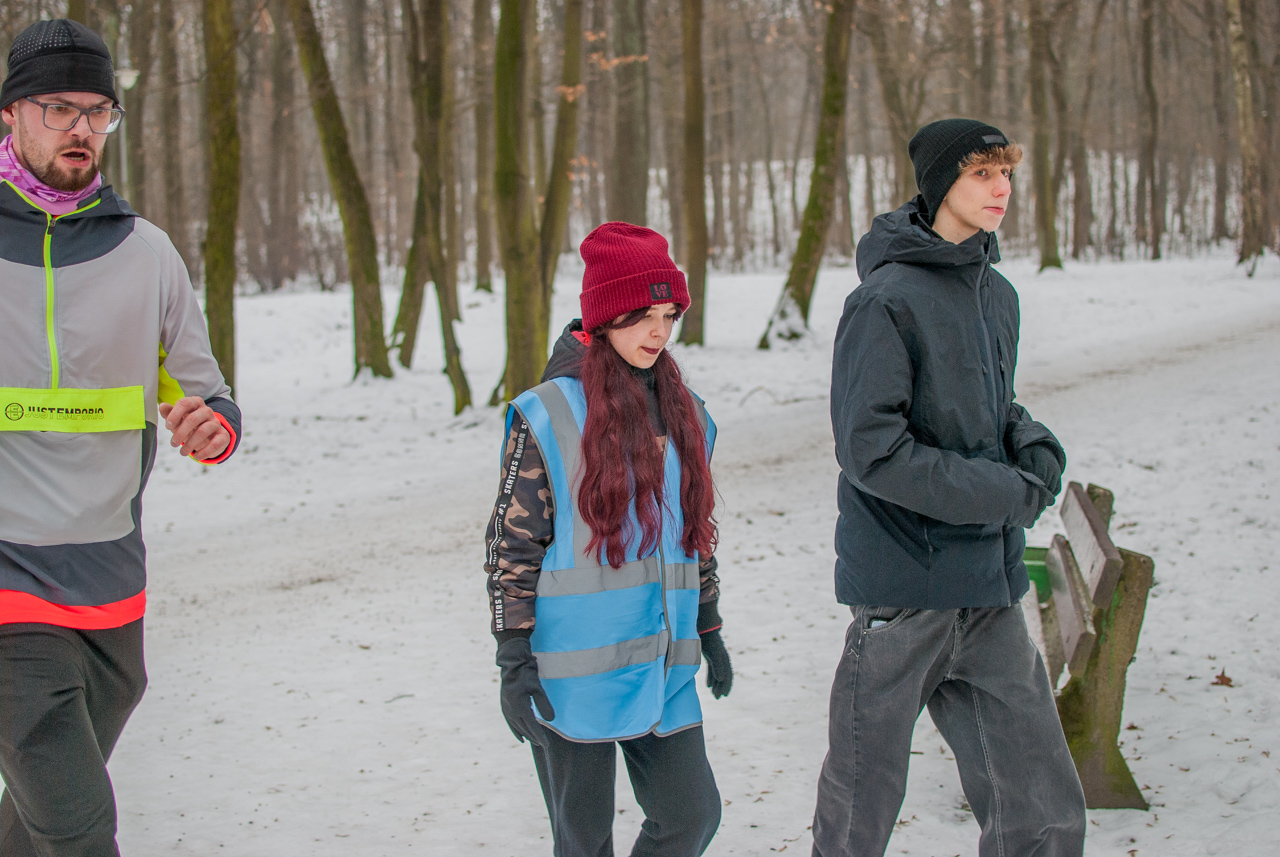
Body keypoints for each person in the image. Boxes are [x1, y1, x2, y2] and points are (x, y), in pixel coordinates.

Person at [810, 119, 1086, 857]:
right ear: (940, 186)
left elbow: (988, 410)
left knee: (1044, 808)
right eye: (981, 175)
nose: (1000, 189)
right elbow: (874, 450)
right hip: (904, 593)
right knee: (859, 809)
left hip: (987, 591)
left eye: (1005, 174)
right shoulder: (883, 302)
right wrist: (1003, 492)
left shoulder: (996, 295)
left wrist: (1033, 443)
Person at [0, 19, 240, 856]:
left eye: (98, 111)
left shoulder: (147, 253)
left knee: (43, 809)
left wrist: (212, 428)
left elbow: (203, 391)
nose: (81, 129)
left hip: (107, 573)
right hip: (5, 576)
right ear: (12, 114)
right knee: (79, 822)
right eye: (60, 107)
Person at [484, 222, 731, 857]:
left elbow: (693, 531)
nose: (658, 332)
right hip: (571, 678)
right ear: (600, 318)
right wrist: (513, 658)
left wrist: (709, 622)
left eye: (668, 314)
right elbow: (513, 546)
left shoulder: (688, 413)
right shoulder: (548, 414)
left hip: (665, 667)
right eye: (640, 315)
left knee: (692, 816)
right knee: (585, 843)